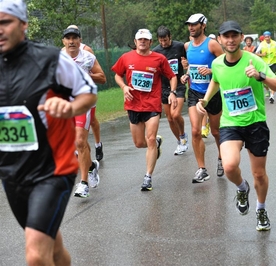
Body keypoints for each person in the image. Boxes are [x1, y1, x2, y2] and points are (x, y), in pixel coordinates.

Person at [0, 1, 97, 264]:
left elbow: (89, 93)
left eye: (4, 22)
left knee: (35, 255)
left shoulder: (52, 60)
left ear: (23, 25)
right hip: (12, 174)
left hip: (52, 171)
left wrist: (69, 108)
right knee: (51, 248)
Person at [196, 21, 276, 231]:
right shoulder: (217, 64)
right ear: (219, 39)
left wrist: (260, 76)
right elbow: (217, 80)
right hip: (231, 123)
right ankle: (241, 188)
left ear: (241, 37)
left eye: (234, 35)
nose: (230, 40)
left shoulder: (254, 61)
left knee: (259, 174)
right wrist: (206, 100)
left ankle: (261, 209)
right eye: (226, 36)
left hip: (255, 123)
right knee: (229, 165)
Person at [112, 29, 177, 191]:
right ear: (135, 42)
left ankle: (148, 177)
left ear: (150, 42)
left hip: (152, 105)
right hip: (133, 105)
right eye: (139, 39)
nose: (142, 42)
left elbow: (172, 76)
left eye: (145, 40)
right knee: (139, 143)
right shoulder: (126, 57)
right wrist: (124, 87)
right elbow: (117, 75)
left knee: (149, 139)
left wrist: (173, 92)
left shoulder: (159, 58)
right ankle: (156, 144)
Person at [181, 13, 225, 182]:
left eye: (194, 24)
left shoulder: (212, 44)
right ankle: (202, 169)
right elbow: (192, 67)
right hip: (194, 93)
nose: (191, 27)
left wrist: (212, 71)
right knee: (195, 130)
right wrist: (186, 75)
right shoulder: (187, 46)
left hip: (212, 94)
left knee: (215, 131)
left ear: (203, 25)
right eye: (189, 25)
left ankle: (221, 158)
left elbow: (225, 64)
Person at [62, 26, 105, 198]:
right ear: (64, 41)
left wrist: (85, 73)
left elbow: (102, 77)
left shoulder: (88, 57)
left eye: (74, 38)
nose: (71, 41)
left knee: (80, 141)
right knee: (74, 144)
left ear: (80, 41)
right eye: (68, 38)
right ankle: (92, 167)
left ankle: (84, 183)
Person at [152, 26, 189, 155]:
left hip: (178, 84)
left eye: (166, 40)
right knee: (169, 118)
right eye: (161, 41)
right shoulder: (156, 51)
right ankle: (180, 142)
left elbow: (188, 61)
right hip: (163, 87)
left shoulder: (179, 46)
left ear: (170, 37)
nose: (163, 43)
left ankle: (183, 135)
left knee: (175, 114)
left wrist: (186, 65)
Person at [255, 31, 276, 103]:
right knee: (264, 80)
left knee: (273, 78)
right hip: (265, 64)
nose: (267, 38)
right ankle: (268, 90)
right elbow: (256, 53)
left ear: (270, 37)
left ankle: (272, 96)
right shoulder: (262, 44)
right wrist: (262, 54)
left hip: (274, 63)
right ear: (264, 37)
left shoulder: (274, 43)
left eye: (268, 37)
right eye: (265, 37)